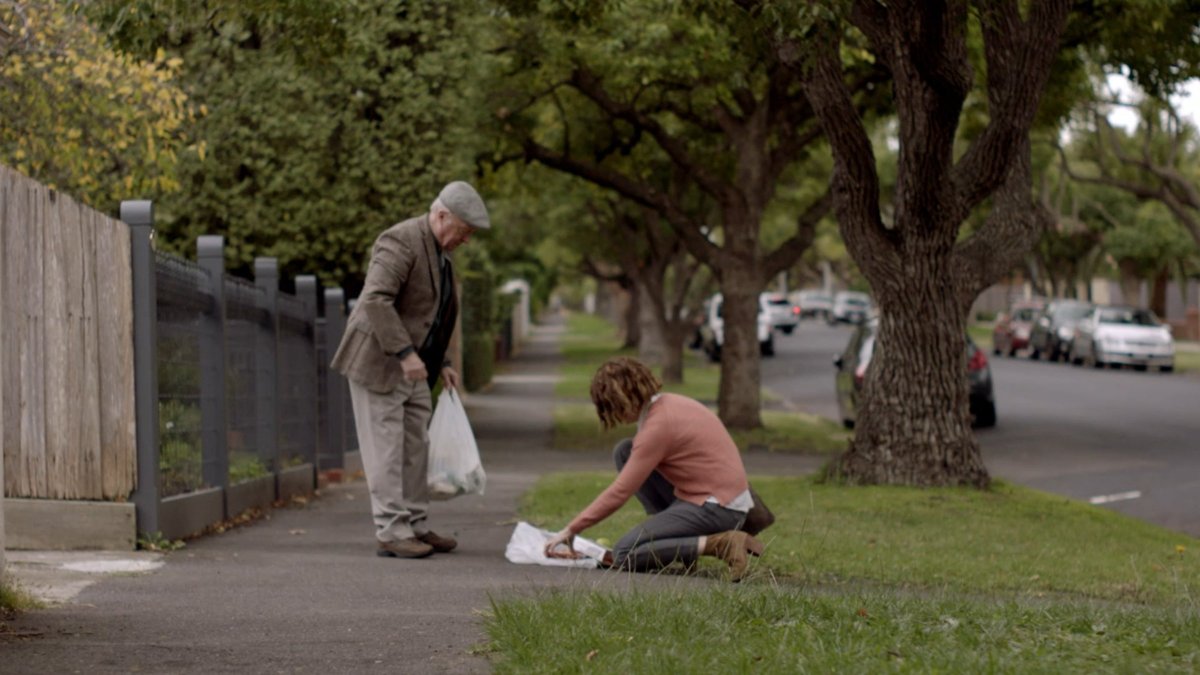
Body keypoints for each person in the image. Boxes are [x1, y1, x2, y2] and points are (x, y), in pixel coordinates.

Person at [331, 181, 490, 559]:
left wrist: (445, 362)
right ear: (441, 216)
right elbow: (375, 300)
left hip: (417, 368)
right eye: (463, 231)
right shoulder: (400, 240)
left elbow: (430, 315)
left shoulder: (440, 252)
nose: (465, 240)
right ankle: (390, 530)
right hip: (381, 363)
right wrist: (404, 352)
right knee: (385, 450)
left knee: (416, 447)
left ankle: (415, 524)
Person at [543, 357, 764, 581]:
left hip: (718, 508)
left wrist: (572, 529)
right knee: (625, 451)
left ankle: (723, 544)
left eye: (611, 407)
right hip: (716, 498)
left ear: (622, 400)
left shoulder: (658, 427)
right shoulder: (666, 403)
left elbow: (620, 492)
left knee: (624, 553)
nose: (613, 415)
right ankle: (676, 544)